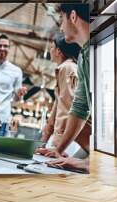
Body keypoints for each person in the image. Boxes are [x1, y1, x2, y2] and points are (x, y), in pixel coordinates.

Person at [36, 4, 91, 171]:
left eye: (61, 20)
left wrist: (58, 143)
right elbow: (79, 106)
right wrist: (57, 149)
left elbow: (70, 106)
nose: (60, 26)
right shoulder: (83, 57)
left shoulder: (69, 67)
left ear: (72, 17)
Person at [41, 36, 83, 154]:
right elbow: (57, 106)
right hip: (70, 137)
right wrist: (45, 138)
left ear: (58, 51)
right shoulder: (66, 68)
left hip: (70, 139)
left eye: (52, 47)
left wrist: (58, 144)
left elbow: (67, 106)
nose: (50, 50)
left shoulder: (67, 67)